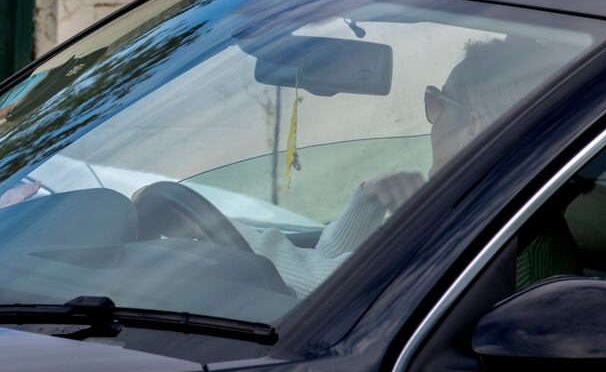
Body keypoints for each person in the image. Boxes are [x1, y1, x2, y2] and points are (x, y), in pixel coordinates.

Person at [234, 37, 553, 297]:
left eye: (436, 102)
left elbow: (335, 295)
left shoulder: (478, 226)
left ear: (472, 123)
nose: (432, 120)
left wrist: (215, 233)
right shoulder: (498, 208)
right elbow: (332, 276)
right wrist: (367, 203)